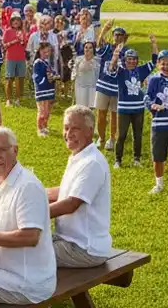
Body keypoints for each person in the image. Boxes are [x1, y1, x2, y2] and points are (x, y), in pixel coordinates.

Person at [0, 127, 56, 304]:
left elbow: (30, 237)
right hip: (1, 272)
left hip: (26, 282)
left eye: (1, 150)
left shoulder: (27, 186)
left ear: (15, 150)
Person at [48, 106, 112, 268]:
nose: (68, 134)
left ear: (90, 131)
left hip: (85, 248)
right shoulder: (80, 156)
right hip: (69, 240)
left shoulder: (92, 163)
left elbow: (71, 204)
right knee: (19, 246)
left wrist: (34, 213)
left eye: (75, 129)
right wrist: (31, 194)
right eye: (66, 128)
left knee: (21, 255)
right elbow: (65, 190)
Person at [106, 35, 159, 169]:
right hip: (123, 108)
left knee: (138, 135)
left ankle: (137, 159)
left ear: (137, 60)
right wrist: (115, 55)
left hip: (138, 108)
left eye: (134, 59)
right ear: (125, 60)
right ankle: (118, 160)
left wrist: (154, 44)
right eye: (129, 59)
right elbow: (111, 68)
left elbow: (154, 61)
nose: (131, 62)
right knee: (122, 135)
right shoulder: (121, 71)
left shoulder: (140, 70)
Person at [93, 21, 127, 150]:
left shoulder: (126, 52)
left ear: (124, 37)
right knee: (101, 114)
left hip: (117, 89)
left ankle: (112, 139)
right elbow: (97, 46)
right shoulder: (107, 48)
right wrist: (104, 30)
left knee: (114, 116)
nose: (118, 37)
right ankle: (101, 137)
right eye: (116, 34)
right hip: (103, 86)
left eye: (120, 35)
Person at [2, 13, 28, 107]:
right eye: (14, 20)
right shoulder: (7, 31)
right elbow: (4, 45)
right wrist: (14, 42)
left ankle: (18, 99)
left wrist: (22, 41)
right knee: (9, 79)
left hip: (21, 58)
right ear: (11, 22)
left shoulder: (23, 32)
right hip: (11, 58)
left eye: (18, 20)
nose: (16, 22)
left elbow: (25, 45)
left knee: (20, 79)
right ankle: (8, 100)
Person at [33, 42, 58, 137]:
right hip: (41, 90)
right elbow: (36, 77)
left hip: (49, 89)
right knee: (42, 111)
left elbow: (52, 73)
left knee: (47, 111)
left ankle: (45, 126)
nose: (47, 54)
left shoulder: (48, 62)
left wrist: (54, 76)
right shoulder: (37, 62)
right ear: (40, 51)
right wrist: (44, 79)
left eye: (48, 52)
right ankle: (39, 129)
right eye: (44, 52)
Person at [70, 40, 99, 110]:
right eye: (86, 47)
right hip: (80, 87)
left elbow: (98, 75)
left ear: (93, 49)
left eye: (90, 47)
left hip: (92, 87)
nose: (87, 49)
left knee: (90, 109)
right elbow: (74, 71)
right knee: (81, 109)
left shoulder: (97, 60)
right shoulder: (78, 59)